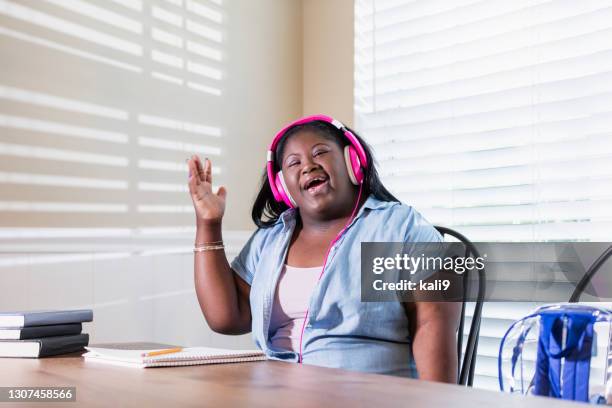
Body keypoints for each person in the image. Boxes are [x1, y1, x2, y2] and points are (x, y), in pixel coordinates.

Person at [187, 115, 460, 382]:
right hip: (275, 393)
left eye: (320, 153)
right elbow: (227, 318)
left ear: (353, 161)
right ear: (283, 186)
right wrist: (208, 222)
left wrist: (437, 401)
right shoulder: (270, 240)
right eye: (294, 163)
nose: (307, 166)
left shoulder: (396, 228)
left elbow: (431, 324)